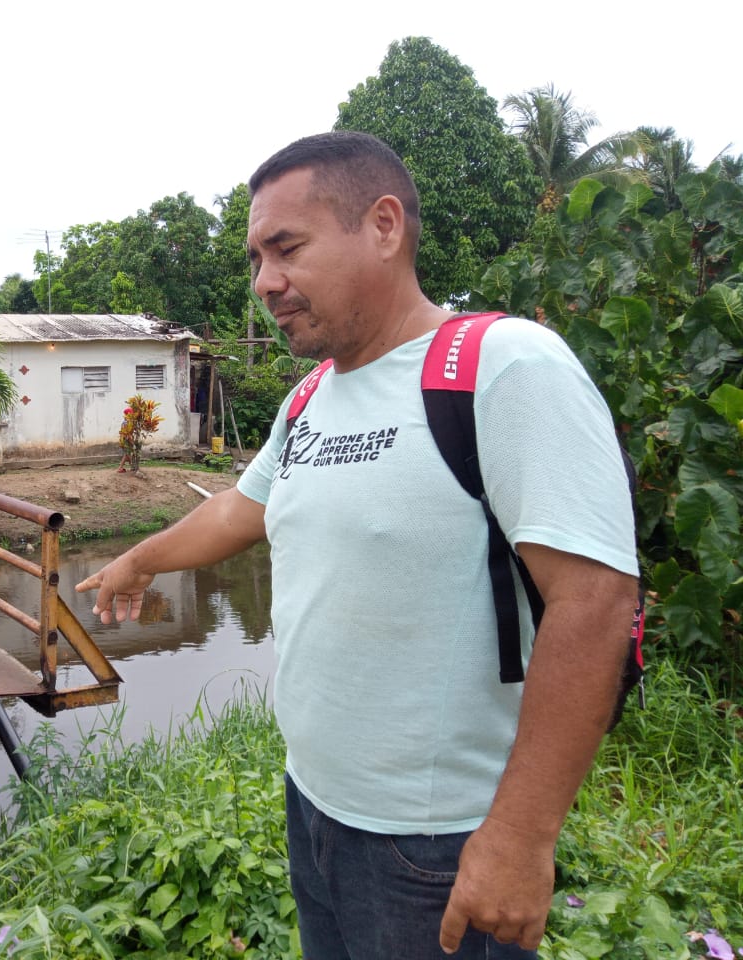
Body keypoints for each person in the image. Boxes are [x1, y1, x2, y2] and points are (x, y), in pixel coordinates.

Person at [75, 132, 638, 959]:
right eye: (257, 257)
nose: (266, 281)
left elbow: (594, 603)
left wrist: (520, 838)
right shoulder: (309, 398)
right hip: (316, 805)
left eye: (287, 248)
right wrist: (141, 556)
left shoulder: (501, 366)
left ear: (383, 226)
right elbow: (241, 508)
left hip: (437, 843)